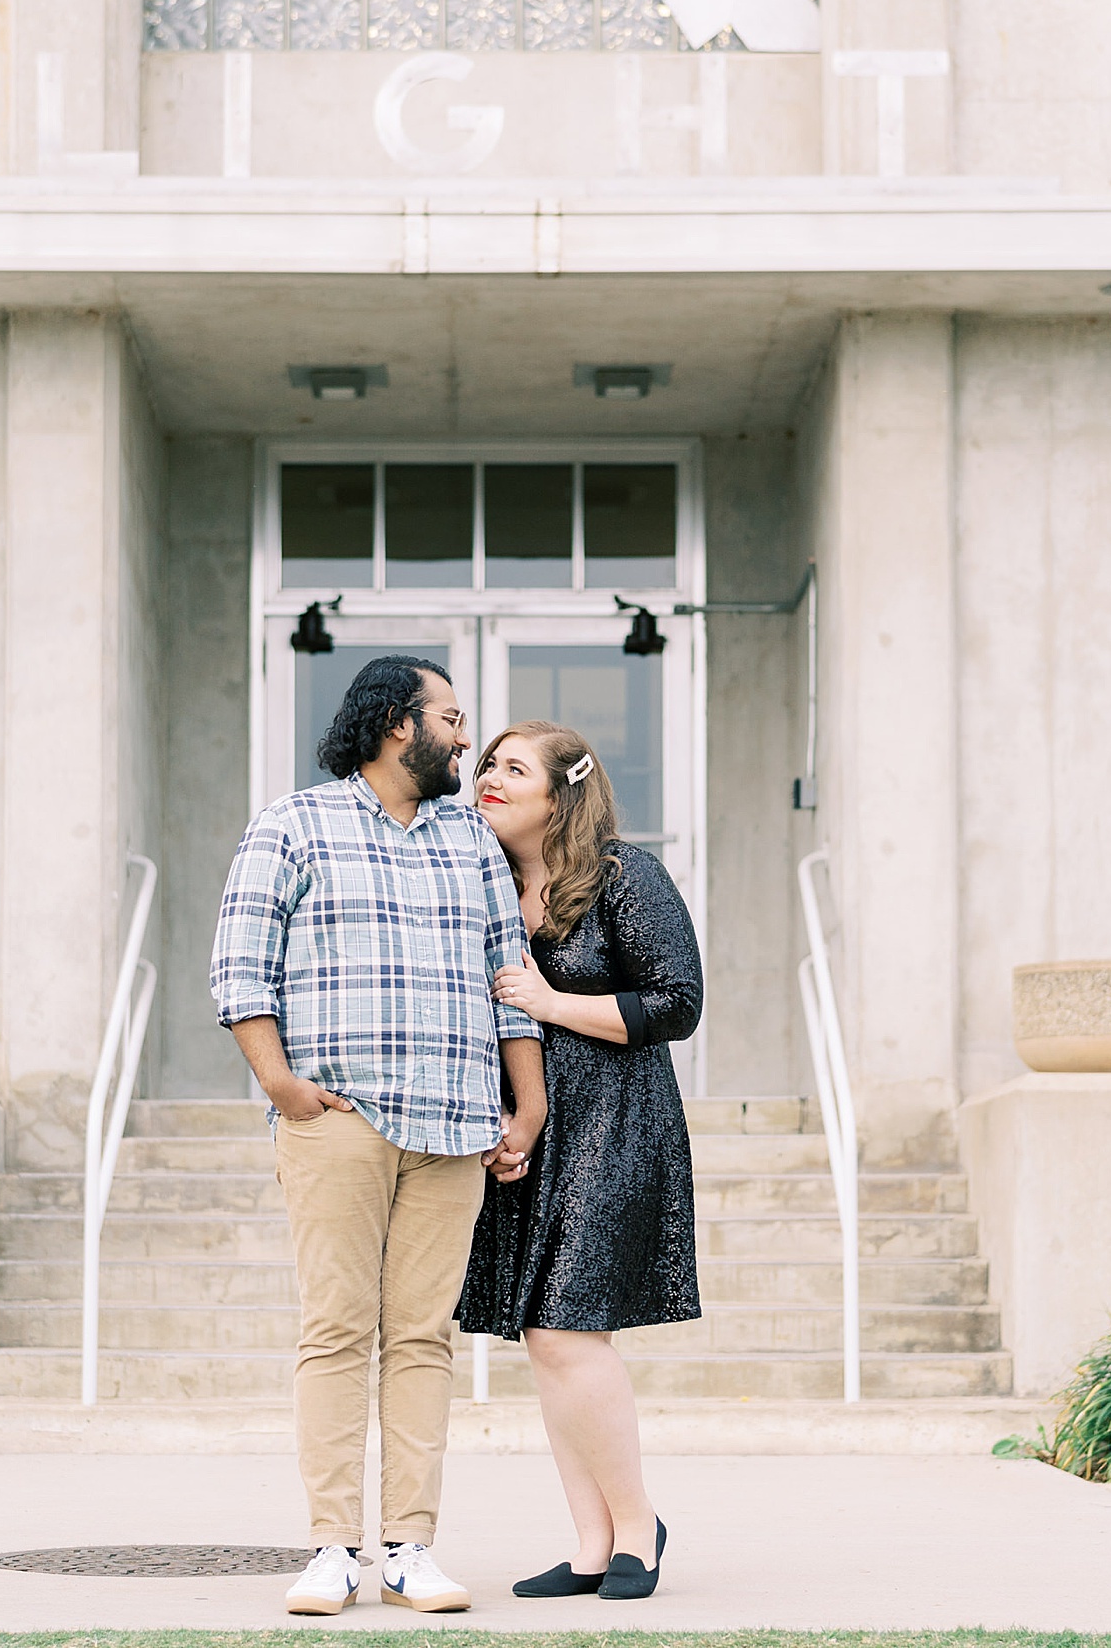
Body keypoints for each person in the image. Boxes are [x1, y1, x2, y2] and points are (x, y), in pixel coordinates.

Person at [210, 655, 546, 1620]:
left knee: (421, 1338)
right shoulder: (293, 824)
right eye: (450, 717)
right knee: (336, 1332)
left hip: (452, 1125)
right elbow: (239, 967)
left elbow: (505, 976)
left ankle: (408, 1548)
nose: (463, 736)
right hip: (340, 1122)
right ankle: (329, 1549)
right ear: (399, 725)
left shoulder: (470, 843)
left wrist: (525, 1106)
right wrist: (282, 1084)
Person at [455, 721, 703, 1603]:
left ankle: (639, 1524)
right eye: (486, 763)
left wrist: (554, 1001)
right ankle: (593, 1542)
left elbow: (678, 1002)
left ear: (560, 793)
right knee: (545, 1337)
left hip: (617, 1121)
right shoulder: (485, 882)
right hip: (533, 1133)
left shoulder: (622, 873)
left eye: (512, 768)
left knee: (567, 1326)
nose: (488, 777)